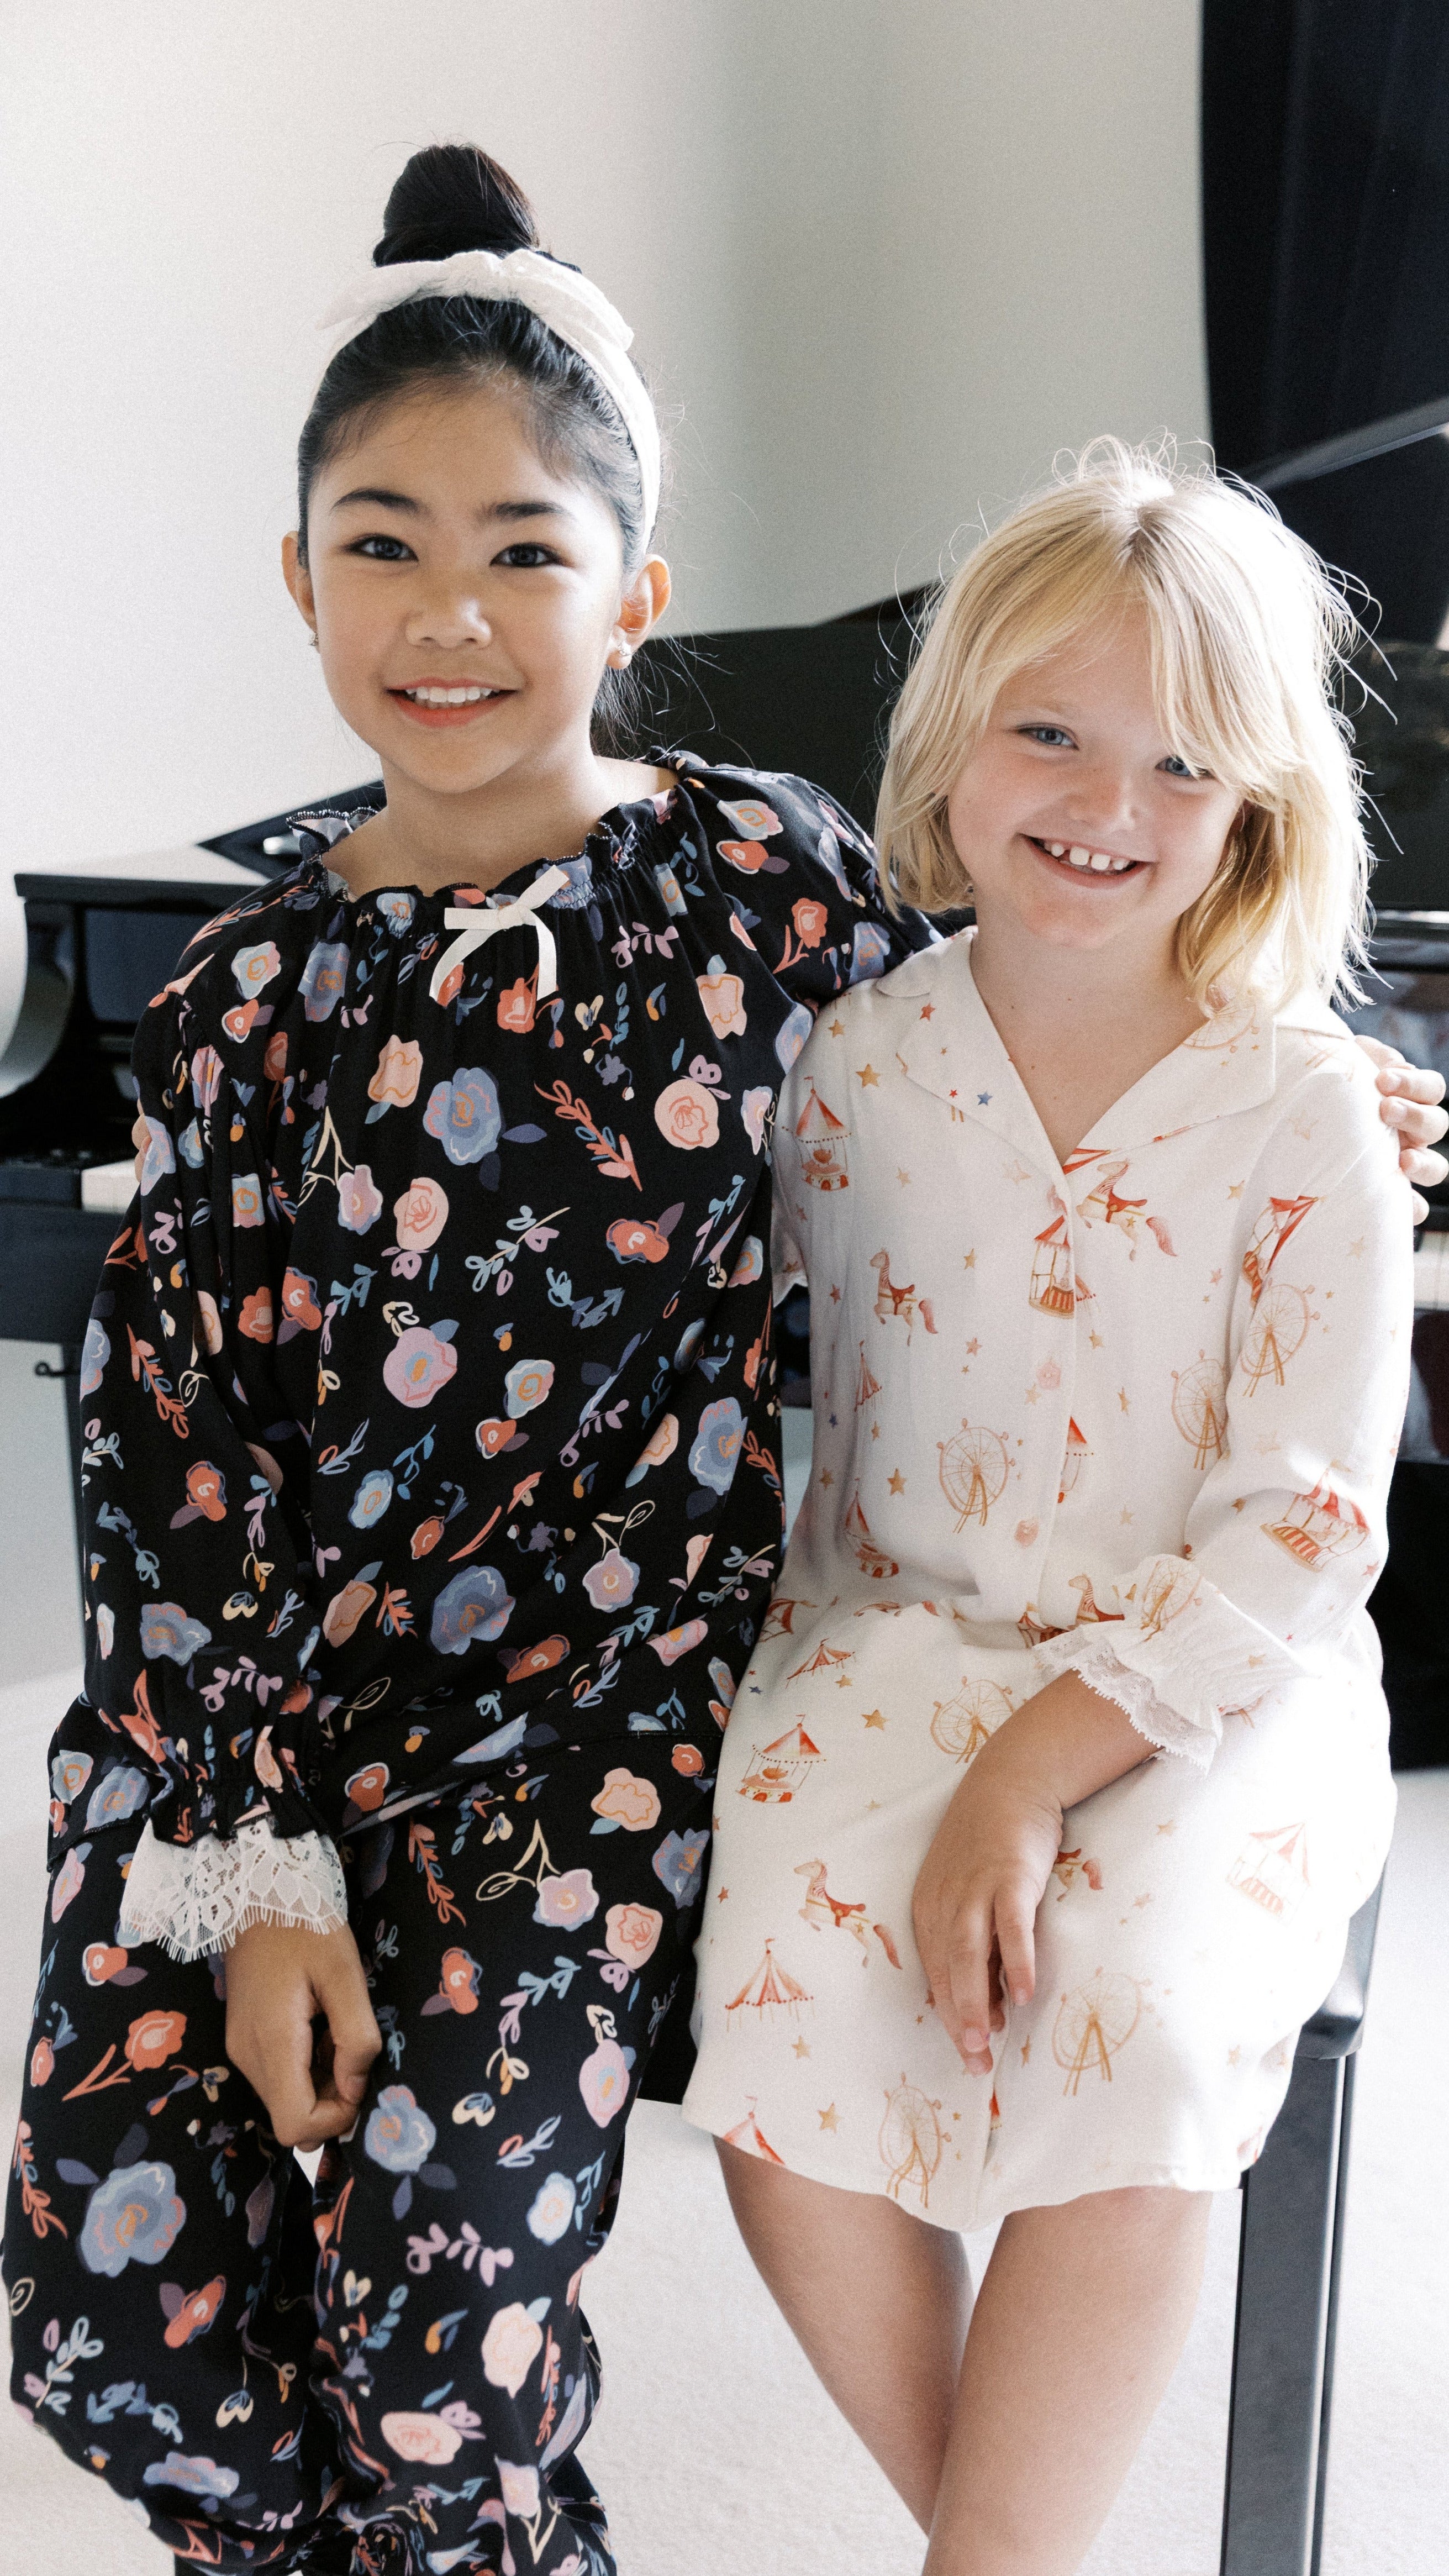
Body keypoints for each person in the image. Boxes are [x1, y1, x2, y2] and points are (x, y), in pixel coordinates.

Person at [2, 151, 1439, 2576]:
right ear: (300, 576)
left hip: (584, 1714)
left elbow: (1071, 921)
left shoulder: (752, 895)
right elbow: (165, 1474)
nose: (450, 611)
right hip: (263, 1732)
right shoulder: (247, 997)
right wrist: (254, 1876)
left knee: (439, 2325)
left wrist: (1318, 1064)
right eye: (380, 543)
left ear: (635, 597)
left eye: (525, 553)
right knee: (114, 2316)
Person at [684, 443, 1426, 2575]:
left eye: (1182, 764)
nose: (1107, 805)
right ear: (951, 738)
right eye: (1050, 732)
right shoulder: (844, 1072)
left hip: (1218, 1677)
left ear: (1258, 808)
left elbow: (1307, 1534)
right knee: (781, 2007)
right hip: (896, 1635)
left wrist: (1035, 1769)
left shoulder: (1307, 1111)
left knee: (1154, 2010)